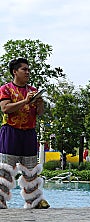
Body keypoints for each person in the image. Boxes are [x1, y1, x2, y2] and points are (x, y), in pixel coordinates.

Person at [0, 58, 50, 209]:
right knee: (5, 169)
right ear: (15, 72)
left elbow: (39, 113)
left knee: (31, 169)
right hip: (11, 131)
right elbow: (5, 109)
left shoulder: (32, 90)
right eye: (24, 69)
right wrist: (25, 102)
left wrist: (39, 102)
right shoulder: (6, 89)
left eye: (28, 69)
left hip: (29, 132)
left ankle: (35, 200)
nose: (28, 72)